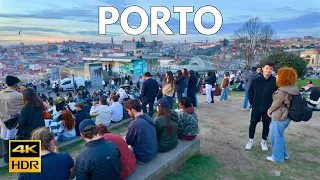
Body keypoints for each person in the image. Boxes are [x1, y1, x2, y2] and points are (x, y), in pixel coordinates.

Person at [266, 67, 299, 162]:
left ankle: (277, 157)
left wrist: (269, 110)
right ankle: (283, 154)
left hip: (280, 116)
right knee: (279, 135)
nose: (276, 76)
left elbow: (276, 103)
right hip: (286, 116)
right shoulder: (293, 87)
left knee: (275, 137)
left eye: (278, 75)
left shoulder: (283, 90)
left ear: (284, 77)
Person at [246, 62, 277, 151]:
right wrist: (253, 103)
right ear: (262, 68)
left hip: (268, 108)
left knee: (266, 125)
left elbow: (277, 95)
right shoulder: (256, 80)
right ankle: (250, 140)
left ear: (272, 70)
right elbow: (250, 93)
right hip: (256, 107)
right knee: (253, 123)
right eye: (267, 68)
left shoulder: (275, 81)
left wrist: (272, 107)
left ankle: (263, 141)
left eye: (270, 69)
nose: (268, 70)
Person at [124, 99, 158, 164]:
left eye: (128, 111)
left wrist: (126, 137)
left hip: (143, 158)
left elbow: (128, 142)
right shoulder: (148, 117)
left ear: (133, 109)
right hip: (153, 152)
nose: (128, 113)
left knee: (123, 148)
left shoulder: (134, 123)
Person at [0, 76, 23, 163]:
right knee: (16, 142)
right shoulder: (19, 95)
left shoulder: (0, 94)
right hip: (15, 123)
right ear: (15, 84)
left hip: (3, 122)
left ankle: (7, 159)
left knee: (6, 142)